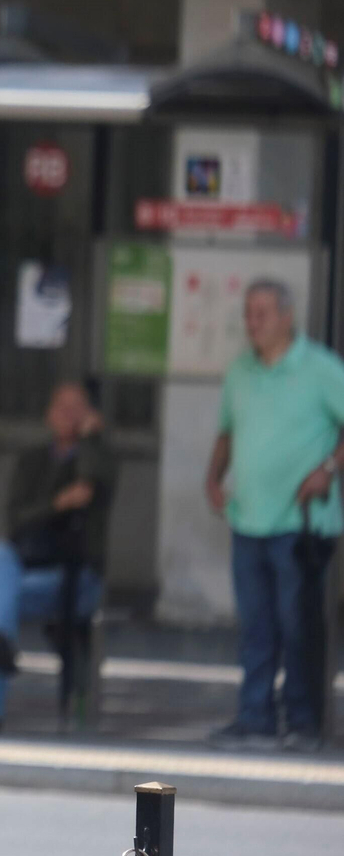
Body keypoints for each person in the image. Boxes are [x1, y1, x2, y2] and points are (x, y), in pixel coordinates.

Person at [205, 278, 343, 752]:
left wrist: (328, 469)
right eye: (248, 312)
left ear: (287, 316)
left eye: (262, 312)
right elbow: (227, 431)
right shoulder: (240, 370)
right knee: (256, 627)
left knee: (298, 626)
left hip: (300, 524)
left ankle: (303, 722)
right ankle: (255, 717)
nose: (253, 322)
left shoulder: (320, 368)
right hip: (249, 519)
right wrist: (213, 477)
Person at [0, 382, 117, 734]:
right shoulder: (33, 460)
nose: (69, 415)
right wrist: (59, 504)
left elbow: (92, 486)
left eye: (78, 408)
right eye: (62, 407)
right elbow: (17, 521)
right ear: (49, 414)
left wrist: (90, 440)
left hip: (76, 576)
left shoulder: (100, 458)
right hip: (29, 569)